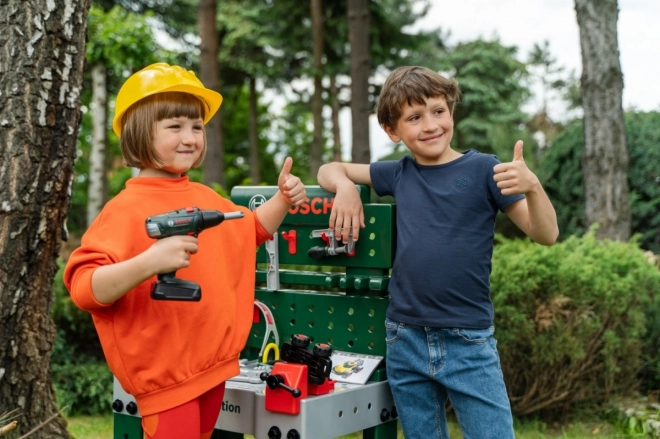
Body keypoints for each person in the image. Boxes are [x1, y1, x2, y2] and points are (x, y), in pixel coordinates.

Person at [64, 63, 305, 439]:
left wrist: (283, 200)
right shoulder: (123, 210)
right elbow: (84, 288)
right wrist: (148, 262)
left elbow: (251, 230)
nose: (190, 137)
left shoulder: (205, 198)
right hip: (167, 380)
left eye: (197, 127)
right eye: (175, 127)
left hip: (213, 368)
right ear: (140, 131)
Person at [317, 66, 558, 439]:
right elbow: (328, 169)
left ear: (451, 111)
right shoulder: (399, 173)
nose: (430, 125)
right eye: (414, 117)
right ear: (393, 131)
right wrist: (346, 188)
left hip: (469, 340)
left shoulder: (485, 169)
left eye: (438, 111)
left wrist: (533, 188)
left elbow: (545, 234)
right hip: (405, 338)